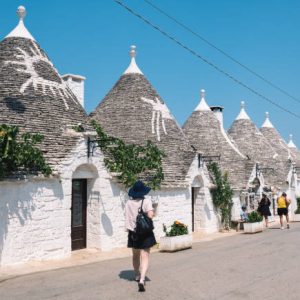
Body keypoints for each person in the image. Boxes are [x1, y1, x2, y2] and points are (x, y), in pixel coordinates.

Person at [125, 180, 156, 292]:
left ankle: (137, 275)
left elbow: (127, 218)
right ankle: (142, 280)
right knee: (145, 256)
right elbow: (151, 215)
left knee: (135, 255)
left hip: (133, 233)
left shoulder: (128, 203)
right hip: (145, 232)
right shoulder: (146, 201)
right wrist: (153, 212)